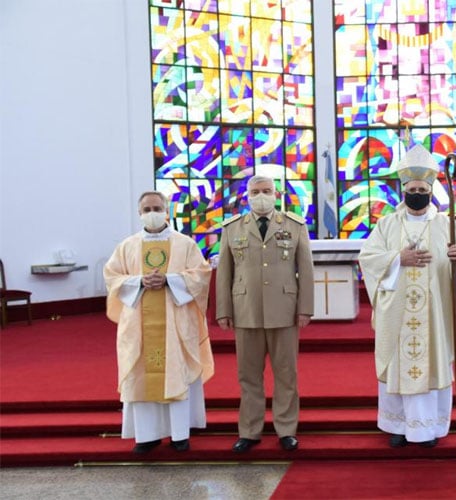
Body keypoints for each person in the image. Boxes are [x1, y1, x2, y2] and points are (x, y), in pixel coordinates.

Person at [358, 144, 456, 448]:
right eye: (411, 188)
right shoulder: (386, 224)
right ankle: (398, 426)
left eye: (422, 188)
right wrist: (399, 259)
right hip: (397, 311)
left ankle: (429, 428)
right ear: (403, 190)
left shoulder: (447, 225)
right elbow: (368, 258)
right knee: (399, 365)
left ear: (431, 190)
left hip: (435, 313)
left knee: (432, 364)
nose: (416, 193)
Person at [103, 191, 214, 454]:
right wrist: (139, 281)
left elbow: (201, 274)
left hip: (175, 322)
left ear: (167, 211)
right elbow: (111, 276)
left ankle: (179, 434)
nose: (151, 213)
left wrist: (170, 280)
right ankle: (147, 435)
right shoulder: (127, 245)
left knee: (176, 371)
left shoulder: (184, 243)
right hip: (138, 323)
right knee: (141, 374)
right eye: (146, 209)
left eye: (157, 207)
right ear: (139, 213)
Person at [216, 175, 314, 453]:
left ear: (277, 193)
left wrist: (305, 308)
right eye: (256, 191)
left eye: (267, 191)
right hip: (245, 309)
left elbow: (305, 269)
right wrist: (223, 310)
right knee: (248, 375)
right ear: (246, 195)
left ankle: (286, 429)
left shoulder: (294, 226)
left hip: (284, 309)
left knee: (286, 373)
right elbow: (224, 272)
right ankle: (249, 430)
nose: (262, 195)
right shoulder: (232, 228)